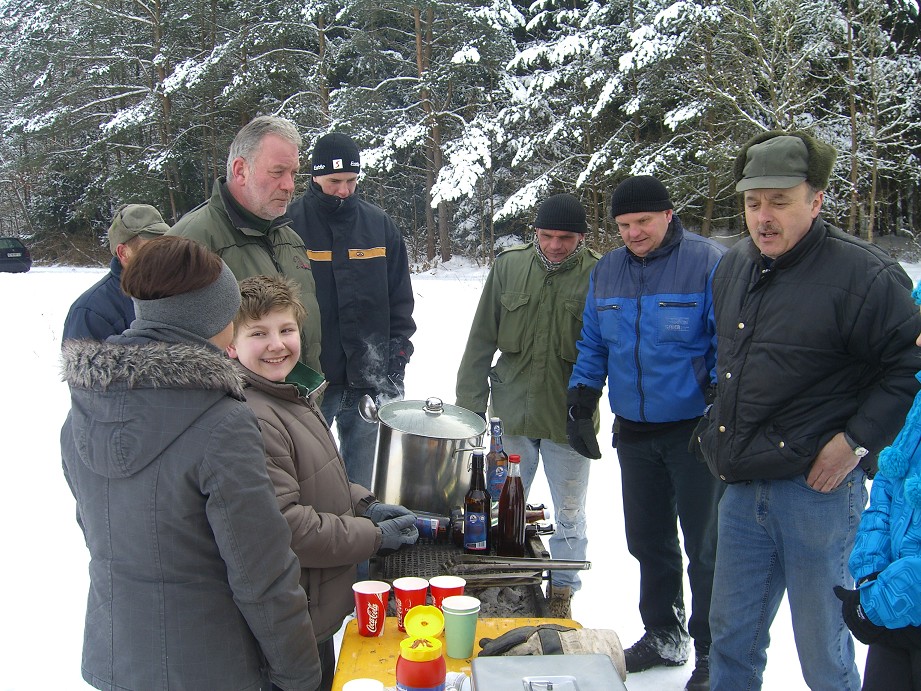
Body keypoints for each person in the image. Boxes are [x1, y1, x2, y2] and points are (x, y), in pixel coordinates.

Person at [694, 131, 921, 691]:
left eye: (779, 201)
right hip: (742, 488)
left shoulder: (866, 276)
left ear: (816, 200)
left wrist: (856, 442)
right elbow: (729, 361)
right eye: (753, 202)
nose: (763, 217)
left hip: (819, 493)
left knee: (823, 653)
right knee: (730, 642)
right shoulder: (733, 266)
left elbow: (907, 369)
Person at [60, 236, 321, 691]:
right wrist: (299, 674)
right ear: (215, 317)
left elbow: (97, 531)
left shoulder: (84, 409)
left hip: (118, 653)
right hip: (208, 662)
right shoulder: (221, 422)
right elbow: (262, 572)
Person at [567, 176, 725, 691]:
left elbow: (727, 343)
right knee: (648, 540)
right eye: (623, 225)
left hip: (694, 429)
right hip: (634, 429)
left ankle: (713, 650)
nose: (633, 233)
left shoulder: (707, 262)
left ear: (669, 214)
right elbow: (595, 341)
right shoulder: (608, 270)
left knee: (706, 547)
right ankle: (664, 633)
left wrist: (721, 407)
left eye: (643, 222)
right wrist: (582, 398)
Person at [226, 274, 419, 691]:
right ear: (231, 345)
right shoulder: (254, 417)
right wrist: (373, 536)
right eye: (258, 333)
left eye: (286, 330)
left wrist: (365, 503)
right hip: (289, 617)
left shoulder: (290, 393)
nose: (276, 344)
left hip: (311, 608)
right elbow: (287, 527)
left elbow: (317, 480)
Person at [455, 193, 600, 617]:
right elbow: (481, 338)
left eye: (566, 238)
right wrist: (469, 408)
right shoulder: (509, 266)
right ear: (534, 232)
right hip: (512, 413)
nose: (555, 245)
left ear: (582, 237)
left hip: (566, 419)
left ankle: (563, 592)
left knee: (570, 512)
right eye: (546, 235)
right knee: (501, 506)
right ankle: (500, 580)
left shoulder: (600, 274)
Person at [288, 132, 415, 489]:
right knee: (307, 481)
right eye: (334, 182)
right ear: (315, 176)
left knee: (363, 485)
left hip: (369, 379)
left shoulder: (379, 225)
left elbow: (400, 301)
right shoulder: (290, 225)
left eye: (351, 181)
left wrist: (397, 356)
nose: (344, 190)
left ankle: (361, 524)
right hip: (312, 380)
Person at [169, 115, 323, 374]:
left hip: (300, 396)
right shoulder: (188, 244)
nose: (289, 185)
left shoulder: (290, 239)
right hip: (235, 399)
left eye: (293, 173)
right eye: (277, 172)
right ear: (241, 170)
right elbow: (175, 357)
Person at [835, 287, 921, 690]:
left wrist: (882, 599)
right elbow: (888, 483)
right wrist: (871, 572)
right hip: (897, 612)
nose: (918, 341)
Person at [62, 203, 169, 341]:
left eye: (166, 245)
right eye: (150, 249)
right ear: (123, 253)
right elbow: (83, 356)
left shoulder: (178, 292)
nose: (163, 254)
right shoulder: (90, 311)